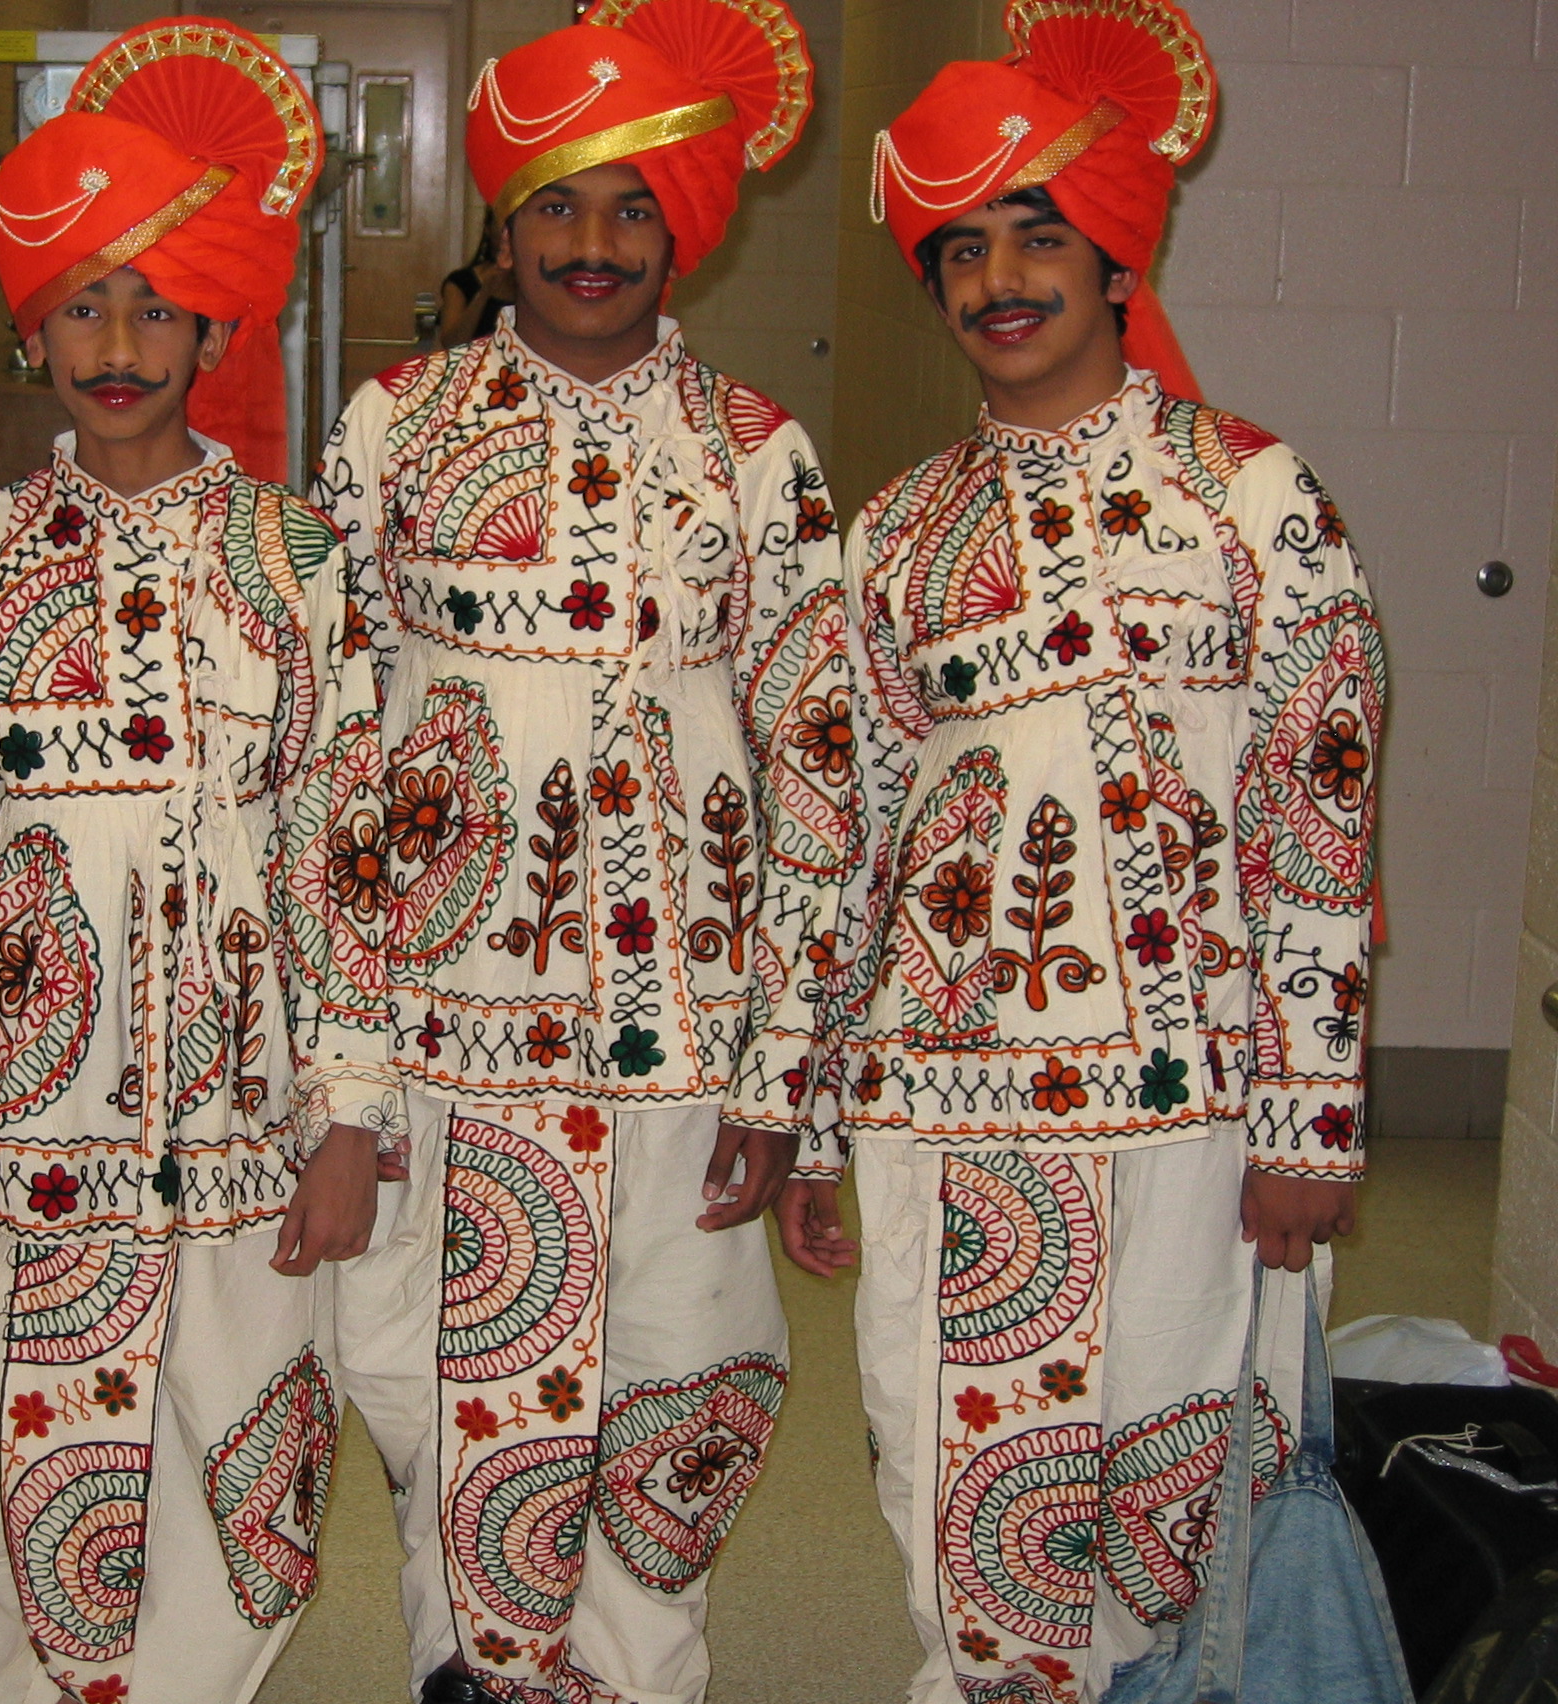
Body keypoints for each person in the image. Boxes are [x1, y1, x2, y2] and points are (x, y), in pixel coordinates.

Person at [789, 3, 1383, 1698]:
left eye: (1036, 234)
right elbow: (839, 845)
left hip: (1194, 1106)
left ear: (1118, 254)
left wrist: (1313, 1119)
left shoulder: (1256, 500)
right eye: (960, 248)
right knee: (957, 1487)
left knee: (1171, 1488)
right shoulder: (896, 535)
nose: (997, 277)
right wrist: (810, 1112)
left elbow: (1318, 822)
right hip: (945, 1102)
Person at [310, 1, 842, 1698]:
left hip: (688, 1041)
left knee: (685, 1393)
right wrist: (342, 1072)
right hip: (447, 1039)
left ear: (687, 227)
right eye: (554, 202)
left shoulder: (759, 452)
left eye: (629, 205)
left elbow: (821, 772)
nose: (591, 242)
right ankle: (472, 1670)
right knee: (454, 1398)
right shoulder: (393, 425)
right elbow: (332, 752)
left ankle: (636, 1674)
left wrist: (788, 1079)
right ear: (502, 222)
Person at [0, 22, 393, 1704]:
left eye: (158, 306)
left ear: (218, 329)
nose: (118, 342)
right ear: (30, 326)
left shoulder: (296, 557)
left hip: (247, 1125)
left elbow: (336, 847)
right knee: (0, 1476)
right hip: (28, 1126)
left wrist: (350, 1116)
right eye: (84, 304)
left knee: (250, 1496)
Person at [434, 209, 514, 350]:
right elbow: (452, 344)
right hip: (473, 362)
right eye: (502, 225)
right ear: (488, 228)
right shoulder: (461, 282)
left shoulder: (535, 284)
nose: (507, 234)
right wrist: (484, 293)